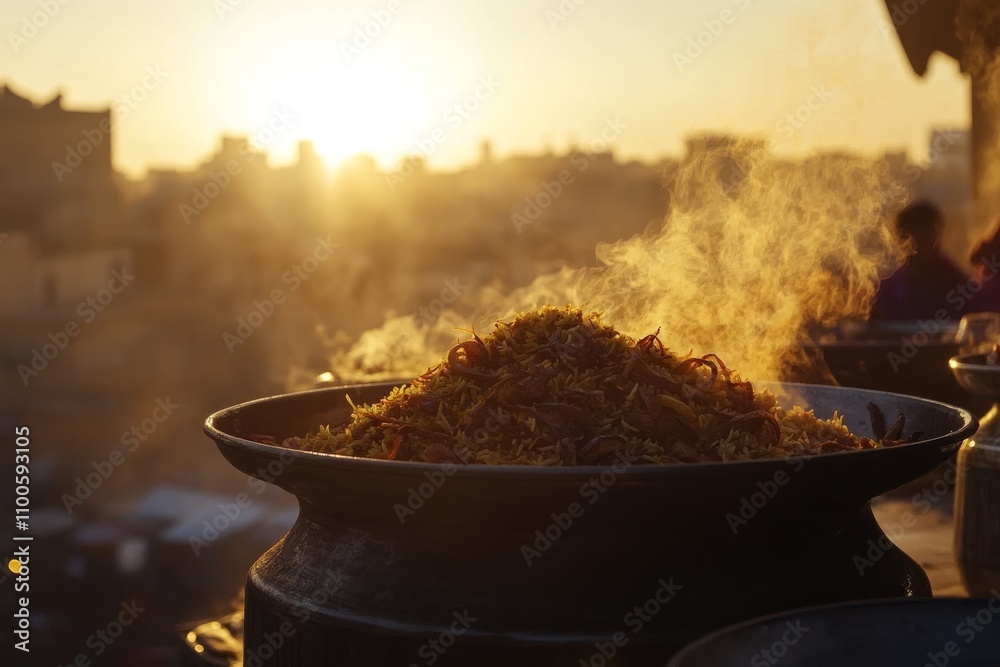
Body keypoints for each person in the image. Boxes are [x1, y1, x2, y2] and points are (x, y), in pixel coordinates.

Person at [870, 200, 969, 321]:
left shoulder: (956, 282)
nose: (925, 241)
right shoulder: (892, 286)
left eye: (927, 234)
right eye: (918, 233)